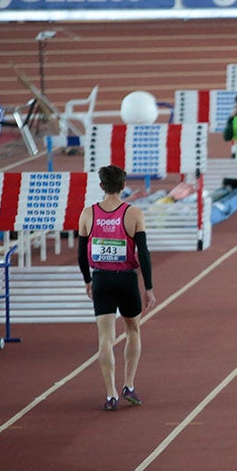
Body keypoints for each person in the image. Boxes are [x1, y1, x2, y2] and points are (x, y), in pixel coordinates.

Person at [77, 165, 156, 411]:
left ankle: (111, 394)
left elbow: (81, 254)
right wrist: (149, 287)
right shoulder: (134, 214)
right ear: (123, 186)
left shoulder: (87, 214)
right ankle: (128, 385)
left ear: (101, 186)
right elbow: (143, 253)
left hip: (101, 279)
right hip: (126, 280)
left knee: (105, 339)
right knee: (133, 331)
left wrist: (88, 280)